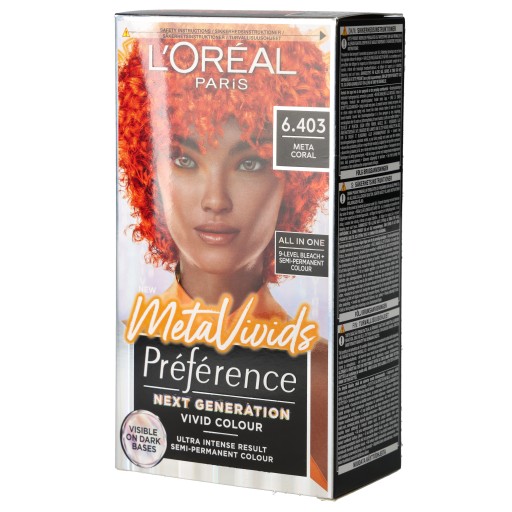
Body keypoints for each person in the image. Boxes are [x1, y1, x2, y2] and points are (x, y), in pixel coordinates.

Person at [118, 33, 330, 490]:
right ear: (148, 172)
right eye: (183, 159)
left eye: (249, 163)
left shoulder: (316, 374)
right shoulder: (125, 356)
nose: (215, 200)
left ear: (292, 182)